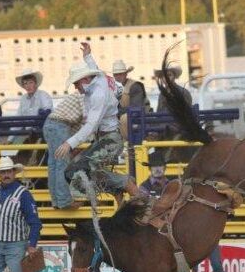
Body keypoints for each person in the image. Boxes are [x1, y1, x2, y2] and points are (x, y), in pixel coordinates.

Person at [55, 42, 140, 199]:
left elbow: (91, 125)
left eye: (76, 83)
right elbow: (94, 68)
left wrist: (70, 143)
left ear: (85, 79)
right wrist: (87, 56)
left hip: (110, 140)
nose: (75, 87)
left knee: (78, 169)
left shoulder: (98, 95)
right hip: (107, 139)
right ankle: (118, 188)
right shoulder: (98, 78)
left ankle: (124, 183)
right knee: (79, 169)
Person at [43, 93, 84, 210]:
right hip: (60, 126)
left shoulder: (80, 94)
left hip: (50, 124)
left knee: (54, 164)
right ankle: (64, 201)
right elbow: (87, 118)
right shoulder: (87, 96)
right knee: (61, 164)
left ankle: (56, 201)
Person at [155, 65, 192, 139]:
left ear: (174, 77)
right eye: (163, 76)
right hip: (163, 128)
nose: (165, 78)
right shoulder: (162, 94)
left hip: (177, 128)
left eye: (169, 75)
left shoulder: (183, 92)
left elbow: (187, 114)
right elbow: (159, 113)